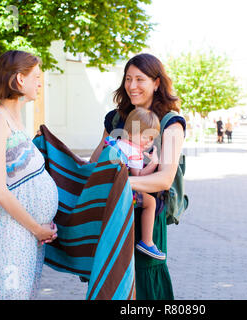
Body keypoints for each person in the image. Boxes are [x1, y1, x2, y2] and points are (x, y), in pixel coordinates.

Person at [0, 50, 58, 299]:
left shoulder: (14, 119)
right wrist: (37, 228)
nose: (40, 82)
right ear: (18, 80)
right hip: (7, 232)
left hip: (22, 233)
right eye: (35, 76)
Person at [90, 53, 185, 300]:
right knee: (112, 276)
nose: (132, 86)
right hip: (113, 212)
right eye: (128, 79)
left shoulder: (170, 123)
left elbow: (164, 179)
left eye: (140, 79)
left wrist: (119, 183)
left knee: (145, 280)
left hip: (148, 219)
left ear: (156, 83)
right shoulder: (115, 119)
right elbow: (94, 162)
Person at [104, 108, 166, 260]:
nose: (148, 142)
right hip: (123, 193)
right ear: (130, 133)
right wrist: (153, 164)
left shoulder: (116, 143)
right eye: (145, 137)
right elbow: (138, 177)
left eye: (152, 138)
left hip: (106, 189)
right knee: (150, 202)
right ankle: (147, 242)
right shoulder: (135, 152)